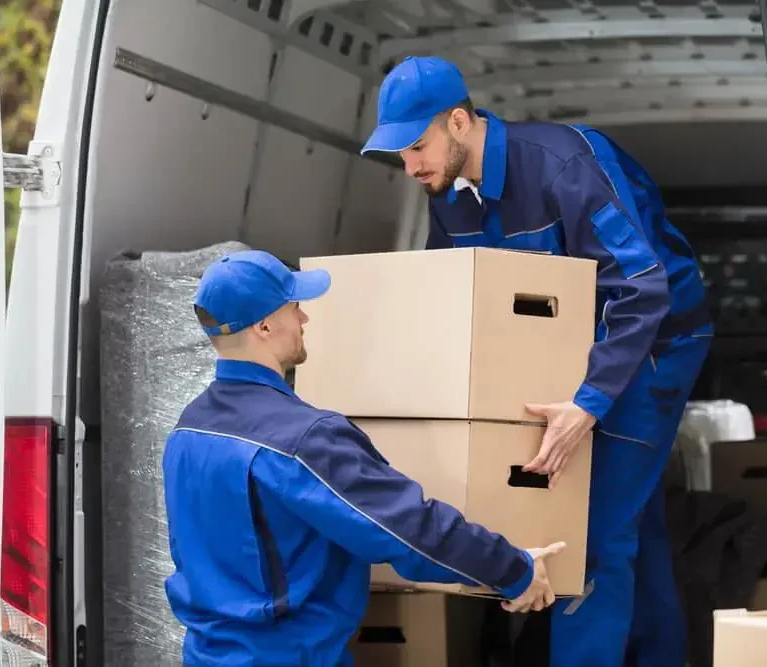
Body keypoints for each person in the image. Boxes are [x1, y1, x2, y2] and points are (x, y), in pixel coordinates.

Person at [360, 56, 713, 667]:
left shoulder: (563, 166)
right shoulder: (449, 194)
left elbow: (642, 289)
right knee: (631, 517)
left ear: (460, 122)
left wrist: (588, 404)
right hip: (574, 352)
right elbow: (459, 296)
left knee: (591, 532)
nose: (410, 167)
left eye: (417, 147)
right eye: (401, 154)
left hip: (652, 345)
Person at [161, 249, 565, 666]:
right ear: (264, 326)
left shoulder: (187, 430)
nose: (304, 318)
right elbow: (408, 530)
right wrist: (513, 569)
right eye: (294, 307)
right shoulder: (301, 439)